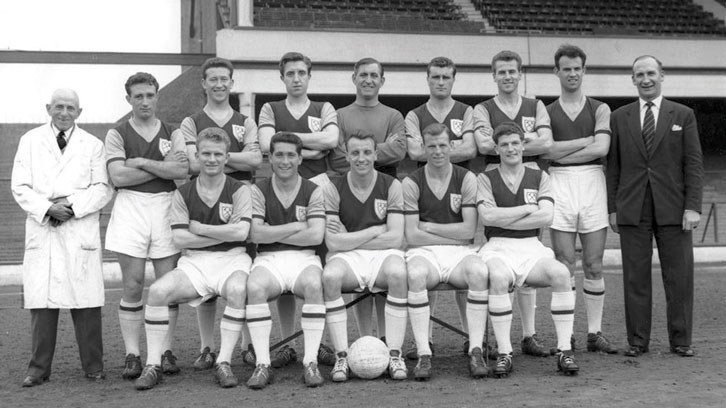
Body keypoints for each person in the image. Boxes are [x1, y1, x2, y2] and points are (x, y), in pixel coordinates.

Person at [134, 127, 252, 390]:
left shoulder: (240, 189)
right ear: (196, 155)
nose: (211, 159)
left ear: (226, 157)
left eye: (218, 154)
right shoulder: (183, 193)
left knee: (237, 289)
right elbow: (181, 239)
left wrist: (199, 229)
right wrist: (223, 234)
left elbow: (242, 232)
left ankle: (224, 361)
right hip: (195, 262)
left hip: (233, 259)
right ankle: (153, 364)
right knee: (156, 292)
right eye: (206, 153)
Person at [12, 89, 113, 387]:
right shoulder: (29, 141)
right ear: (48, 108)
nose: (64, 112)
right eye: (59, 106)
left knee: (86, 301)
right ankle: (38, 369)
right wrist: (47, 208)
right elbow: (20, 186)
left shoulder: (93, 145)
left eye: (70, 107)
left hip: (78, 227)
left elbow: (102, 188)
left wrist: (71, 206)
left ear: (80, 112)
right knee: (42, 304)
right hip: (44, 228)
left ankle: (94, 367)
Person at [606, 55, 703, 358]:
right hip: (633, 207)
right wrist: (613, 208)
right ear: (632, 80)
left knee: (679, 276)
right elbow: (613, 167)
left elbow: (694, 163)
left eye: (651, 73)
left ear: (662, 76)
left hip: (674, 208)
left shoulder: (683, 114)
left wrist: (693, 207)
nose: (645, 79)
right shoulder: (619, 117)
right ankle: (637, 341)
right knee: (635, 278)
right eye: (639, 74)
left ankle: (681, 340)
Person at [255, 52, 338, 369]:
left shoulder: (323, 108)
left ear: (309, 75)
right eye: (290, 73)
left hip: (315, 184)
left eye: (302, 72)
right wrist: (312, 147)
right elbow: (266, 144)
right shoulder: (270, 108)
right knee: (284, 260)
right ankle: (288, 343)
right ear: (282, 77)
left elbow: (332, 137)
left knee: (319, 265)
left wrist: (288, 140)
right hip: (280, 181)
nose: (296, 78)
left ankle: (320, 343)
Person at [105, 72, 190, 379]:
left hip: (166, 205)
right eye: (138, 96)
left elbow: (182, 169)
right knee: (132, 284)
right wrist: (161, 167)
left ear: (157, 96)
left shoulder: (173, 130)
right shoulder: (117, 133)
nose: (144, 101)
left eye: (150, 95)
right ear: (128, 99)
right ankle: (133, 354)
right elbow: (118, 177)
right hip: (130, 208)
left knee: (166, 285)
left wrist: (139, 161)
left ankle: (165, 351)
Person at [477, 122, 578, 377]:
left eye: (514, 143)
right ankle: (504, 352)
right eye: (504, 145)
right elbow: (488, 218)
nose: (510, 149)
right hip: (497, 246)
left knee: (562, 274)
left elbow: (546, 217)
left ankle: (565, 350)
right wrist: (526, 208)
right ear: (496, 149)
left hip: (531, 246)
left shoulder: (539, 176)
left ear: (523, 145)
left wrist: (506, 216)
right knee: (498, 277)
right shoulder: (486, 178)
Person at [180, 57, 262, 371]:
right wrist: (230, 160)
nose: (218, 84)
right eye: (212, 79)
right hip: (202, 198)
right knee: (205, 274)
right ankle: (206, 347)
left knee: (241, 273)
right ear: (204, 83)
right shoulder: (192, 121)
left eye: (223, 79)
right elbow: (193, 163)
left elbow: (255, 161)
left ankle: (247, 344)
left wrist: (217, 159)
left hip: (240, 198)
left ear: (231, 82)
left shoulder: (245, 121)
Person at [473, 50, 553, 357]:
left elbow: (548, 142)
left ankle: (529, 334)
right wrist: (523, 138)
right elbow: (483, 144)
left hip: (531, 174)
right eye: (501, 72)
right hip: (496, 176)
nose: (507, 76)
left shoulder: (536, 104)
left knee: (529, 254)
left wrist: (513, 140)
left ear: (520, 74)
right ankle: (496, 337)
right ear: (494, 75)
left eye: (512, 71)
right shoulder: (483, 108)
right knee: (500, 252)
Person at [541, 45, 617, 354]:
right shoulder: (545, 111)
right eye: (566, 68)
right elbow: (544, 153)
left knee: (594, 263)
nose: (572, 73)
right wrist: (585, 140)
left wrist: (564, 148)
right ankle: (566, 333)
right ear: (556, 72)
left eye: (577, 68)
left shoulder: (600, 108)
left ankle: (594, 332)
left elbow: (601, 149)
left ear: (583, 71)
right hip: (558, 182)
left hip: (592, 181)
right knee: (564, 263)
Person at [328, 57, 406, 341]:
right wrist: (372, 150)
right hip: (350, 186)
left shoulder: (394, 115)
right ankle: (364, 338)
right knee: (357, 272)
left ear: (382, 81)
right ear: (354, 78)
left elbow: (400, 151)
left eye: (374, 75)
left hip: (385, 184)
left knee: (384, 272)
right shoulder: (340, 116)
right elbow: (336, 157)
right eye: (363, 75)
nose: (369, 80)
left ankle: (385, 338)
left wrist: (364, 151)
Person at [403, 123, 490, 380]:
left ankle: (475, 349)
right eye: (432, 146)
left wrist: (430, 226)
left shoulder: (466, 178)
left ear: (451, 146)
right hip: (424, 252)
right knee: (416, 274)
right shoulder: (411, 182)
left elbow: (469, 230)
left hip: (458, 253)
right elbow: (411, 235)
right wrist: (451, 233)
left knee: (478, 271)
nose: (438, 151)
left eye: (443, 145)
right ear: (423, 148)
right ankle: (423, 352)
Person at [404, 57, 477, 359]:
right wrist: (447, 148)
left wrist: (438, 151)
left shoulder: (466, 111)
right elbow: (413, 150)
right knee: (426, 272)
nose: (441, 82)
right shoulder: (414, 114)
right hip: (427, 187)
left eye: (446, 77)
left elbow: (472, 149)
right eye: (435, 77)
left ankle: (470, 338)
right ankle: (427, 339)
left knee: (465, 275)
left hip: (455, 185)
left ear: (453, 79)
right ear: (428, 79)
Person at [322, 134, 409, 382]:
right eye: (356, 153)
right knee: (329, 277)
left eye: (367, 152)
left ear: (376, 154)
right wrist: (373, 230)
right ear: (347, 156)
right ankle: (341, 356)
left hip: (384, 253)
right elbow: (333, 242)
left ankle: (394, 353)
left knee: (398, 274)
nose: (362, 158)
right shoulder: (333, 187)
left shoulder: (391, 185)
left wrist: (351, 236)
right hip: (347, 256)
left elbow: (395, 238)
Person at [245, 132, 327, 389]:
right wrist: (295, 226)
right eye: (279, 154)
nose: (285, 160)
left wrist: (275, 229)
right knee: (255, 287)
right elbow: (256, 234)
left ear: (300, 158)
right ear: (270, 158)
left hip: (305, 259)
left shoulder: (313, 190)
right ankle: (263, 363)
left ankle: (310, 361)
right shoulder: (258, 189)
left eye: (291, 155)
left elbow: (316, 235)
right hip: (268, 258)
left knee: (314, 285)